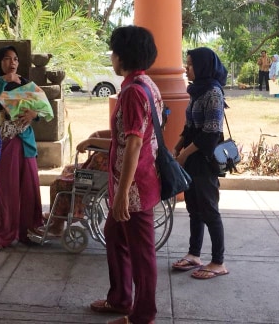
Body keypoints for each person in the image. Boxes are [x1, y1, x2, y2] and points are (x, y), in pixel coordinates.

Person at [78, 25, 162, 324]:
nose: (111, 57)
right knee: (114, 236)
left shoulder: (132, 92)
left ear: (123, 56)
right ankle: (120, 298)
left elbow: (136, 142)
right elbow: (128, 139)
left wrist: (124, 193)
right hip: (131, 183)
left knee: (142, 254)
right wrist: (95, 142)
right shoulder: (146, 84)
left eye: (114, 52)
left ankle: (142, 316)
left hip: (135, 187)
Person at [171, 47, 229, 280]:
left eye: (191, 64)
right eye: (187, 63)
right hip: (192, 158)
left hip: (204, 160)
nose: (187, 68)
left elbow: (210, 133)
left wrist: (184, 154)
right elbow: (190, 127)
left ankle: (218, 262)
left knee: (209, 210)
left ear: (204, 66)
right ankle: (194, 254)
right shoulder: (197, 90)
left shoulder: (213, 93)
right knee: (194, 208)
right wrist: (177, 146)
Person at [0, 45, 44, 251]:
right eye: (7, 59)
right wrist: (2, 82)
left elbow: (42, 109)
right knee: (7, 191)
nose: (12, 62)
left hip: (26, 143)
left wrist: (35, 114)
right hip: (3, 143)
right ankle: (4, 234)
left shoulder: (27, 84)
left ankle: (29, 231)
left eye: (15, 59)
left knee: (30, 189)